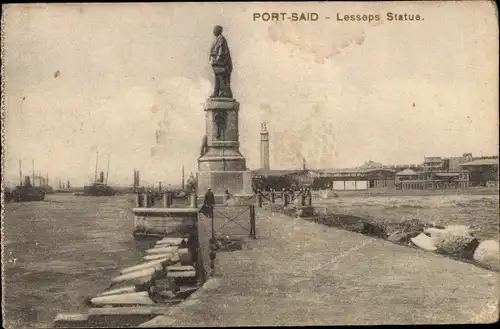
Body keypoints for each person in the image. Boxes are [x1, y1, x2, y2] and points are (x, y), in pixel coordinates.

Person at [209, 25, 233, 98]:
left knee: (222, 78)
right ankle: (216, 91)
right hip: (218, 64)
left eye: (215, 30)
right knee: (217, 77)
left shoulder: (221, 39)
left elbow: (221, 51)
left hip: (222, 64)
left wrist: (216, 60)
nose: (213, 31)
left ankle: (223, 92)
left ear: (218, 31)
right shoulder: (217, 39)